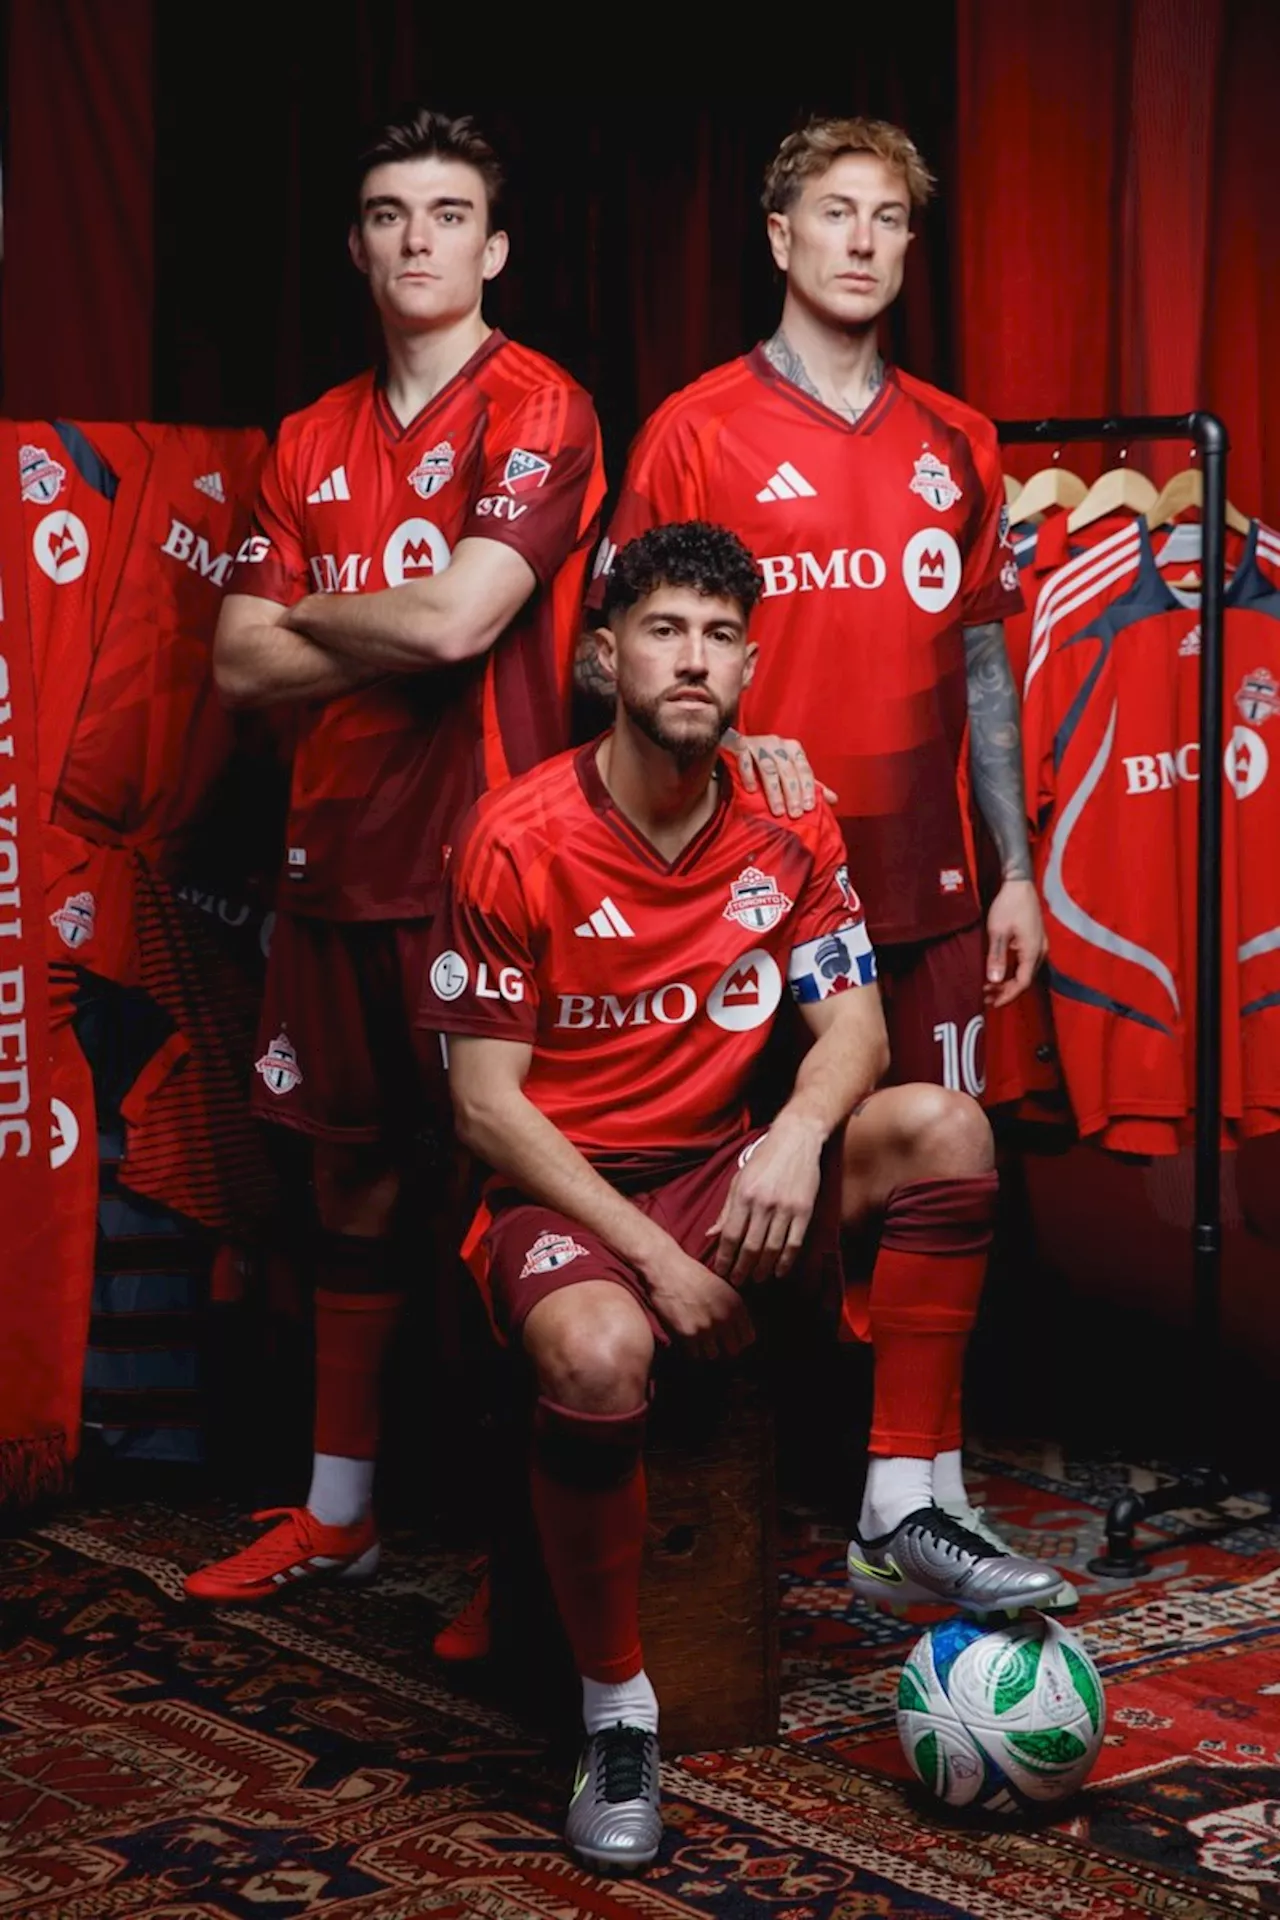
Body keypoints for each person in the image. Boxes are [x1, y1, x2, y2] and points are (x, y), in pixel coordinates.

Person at [423, 522, 1062, 1873]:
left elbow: (859, 1031)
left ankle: (898, 1509)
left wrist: (792, 1139)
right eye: (663, 630)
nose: (692, 659)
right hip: (571, 1197)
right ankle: (619, 1714)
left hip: (725, 1165)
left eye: (719, 636)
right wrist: (655, 1260)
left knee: (942, 1127)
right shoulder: (516, 836)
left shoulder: (788, 815)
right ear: (606, 658)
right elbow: (485, 1105)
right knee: (600, 1354)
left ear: (751, 664)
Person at [579, 116, 1060, 1585]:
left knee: (940, 1163)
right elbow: (612, 664)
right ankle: (710, 1490)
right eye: (833, 213)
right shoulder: (696, 428)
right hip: (742, 896)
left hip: (923, 882)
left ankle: (918, 1497)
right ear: (779, 237)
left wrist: (1016, 861)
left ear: (911, 250)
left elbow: (984, 668)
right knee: (750, 1174)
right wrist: (725, 753)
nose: (861, 239)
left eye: (889, 219)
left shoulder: (957, 439)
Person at [186, 107, 605, 1605]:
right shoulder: (304, 438)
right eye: (385, 213)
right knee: (349, 1198)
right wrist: (340, 624)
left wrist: (314, 621)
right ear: (358, 243)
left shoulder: (538, 405)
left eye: (446, 214)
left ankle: (520, 1551)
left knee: (504, 1198)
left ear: (492, 247)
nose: (416, 238)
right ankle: (341, 1511)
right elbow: (235, 668)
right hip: (329, 865)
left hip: (483, 869)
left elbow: (457, 623)